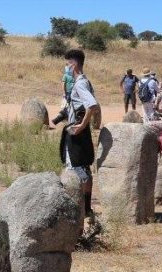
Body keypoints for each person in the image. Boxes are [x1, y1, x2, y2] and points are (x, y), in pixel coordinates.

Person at [59, 49, 100, 218]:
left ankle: (77, 210)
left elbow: (92, 105)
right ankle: (87, 208)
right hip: (80, 130)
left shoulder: (80, 84)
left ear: (74, 64)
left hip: (76, 131)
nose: (66, 68)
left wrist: (82, 125)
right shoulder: (84, 82)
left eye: (68, 64)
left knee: (74, 168)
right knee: (83, 168)